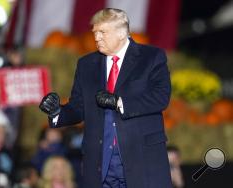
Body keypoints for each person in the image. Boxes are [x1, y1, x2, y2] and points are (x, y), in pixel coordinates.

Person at [39, 8, 172, 188]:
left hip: (140, 159)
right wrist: (57, 111)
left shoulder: (151, 57)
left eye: (103, 32)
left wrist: (119, 103)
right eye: (95, 32)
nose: (96, 38)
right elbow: (79, 107)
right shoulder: (86, 64)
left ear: (121, 33)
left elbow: (161, 97)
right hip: (101, 163)